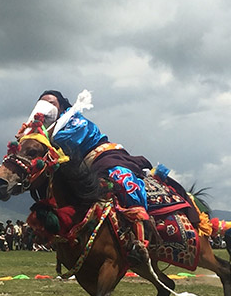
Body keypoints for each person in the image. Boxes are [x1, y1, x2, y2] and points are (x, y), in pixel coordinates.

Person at [23, 90, 154, 257]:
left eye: (51, 104)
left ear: (61, 106)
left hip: (103, 155)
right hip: (80, 169)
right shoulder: (39, 131)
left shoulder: (74, 121)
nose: (46, 107)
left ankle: (140, 237)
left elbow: (64, 142)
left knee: (121, 179)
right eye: (42, 104)